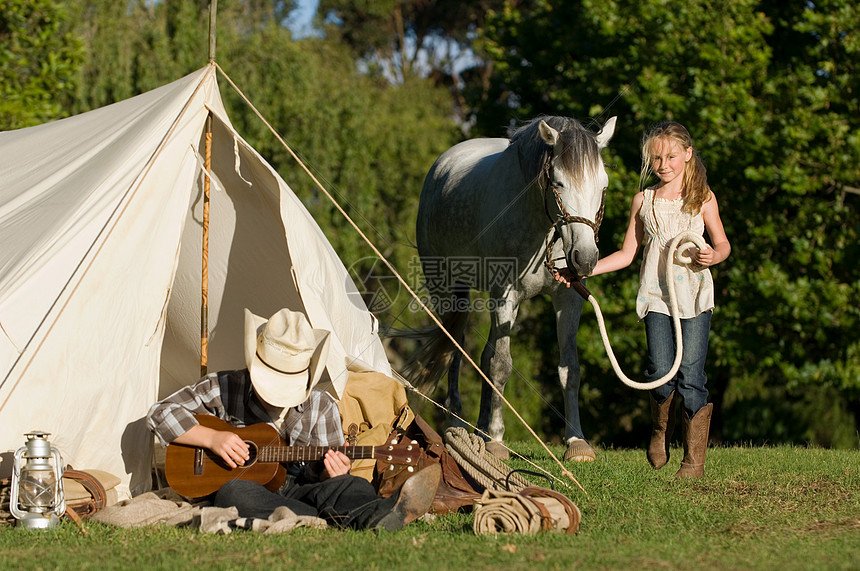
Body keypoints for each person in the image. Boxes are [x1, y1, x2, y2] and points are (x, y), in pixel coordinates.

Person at [147, 307, 441, 529]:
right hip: (245, 486)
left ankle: (381, 514)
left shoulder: (320, 406)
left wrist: (331, 474)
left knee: (352, 487)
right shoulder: (224, 387)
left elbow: (323, 475)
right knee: (233, 492)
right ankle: (321, 517)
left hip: (300, 487)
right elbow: (159, 414)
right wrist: (212, 438)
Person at [562, 121, 730, 477]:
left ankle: (693, 460)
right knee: (659, 372)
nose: (664, 164)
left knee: (692, 376)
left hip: (694, 298)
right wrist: (583, 271)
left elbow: (723, 243)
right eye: (656, 158)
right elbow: (627, 253)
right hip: (656, 297)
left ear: (687, 155)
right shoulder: (644, 200)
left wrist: (713, 256)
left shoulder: (703, 198)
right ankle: (659, 430)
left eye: (671, 156)